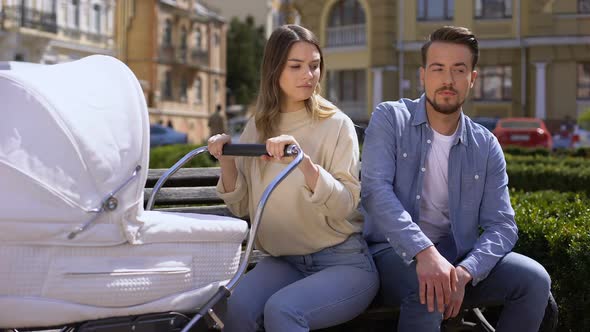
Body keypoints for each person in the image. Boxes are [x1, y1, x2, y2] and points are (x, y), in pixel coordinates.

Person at [361, 26, 551, 332]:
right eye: (438, 68)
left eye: (458, 70)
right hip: (391, 254)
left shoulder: (486, 145)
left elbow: (502, 224)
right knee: (430, 289)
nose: (447, 79)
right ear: (423, 75)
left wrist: (466, 271)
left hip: (457, 261)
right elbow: (374, 191)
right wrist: (425, 253)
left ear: (472, 79)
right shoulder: (390, 119)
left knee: (533, 280)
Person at [207, 24, 378, 332]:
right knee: (234, 310)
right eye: (296, 66)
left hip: (342, 261)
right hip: (284, 261)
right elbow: (241, 208)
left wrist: (303, 163)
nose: (308, 75)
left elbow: (345, 206)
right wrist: (227, 159)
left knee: (282, 311)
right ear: (275, 70)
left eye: (314, 66)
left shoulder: (336, 125)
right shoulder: (257, 127)